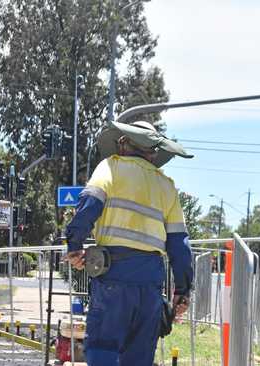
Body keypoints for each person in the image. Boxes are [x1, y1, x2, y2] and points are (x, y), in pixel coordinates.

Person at [64, 120, 194, 366]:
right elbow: (180, 245)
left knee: (102, 349)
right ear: (153, 153)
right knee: (139, 358)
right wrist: (182, 291)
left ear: (123, 143)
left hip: (114, 278)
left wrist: (74, 246)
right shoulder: (166, 185)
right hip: (150, 288)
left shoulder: (111, 167)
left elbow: (89, 204)